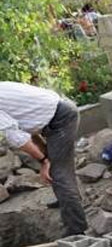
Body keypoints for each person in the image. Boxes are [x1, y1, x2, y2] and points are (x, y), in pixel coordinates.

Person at [0, 82, 88, 236]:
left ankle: (77, 230)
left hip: (61, 118)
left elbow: (17, 138)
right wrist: (45, 155)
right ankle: (68, 201)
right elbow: (27, 126)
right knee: (59, 167)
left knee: (58, 173)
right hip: (57, 114)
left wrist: (44, 161)